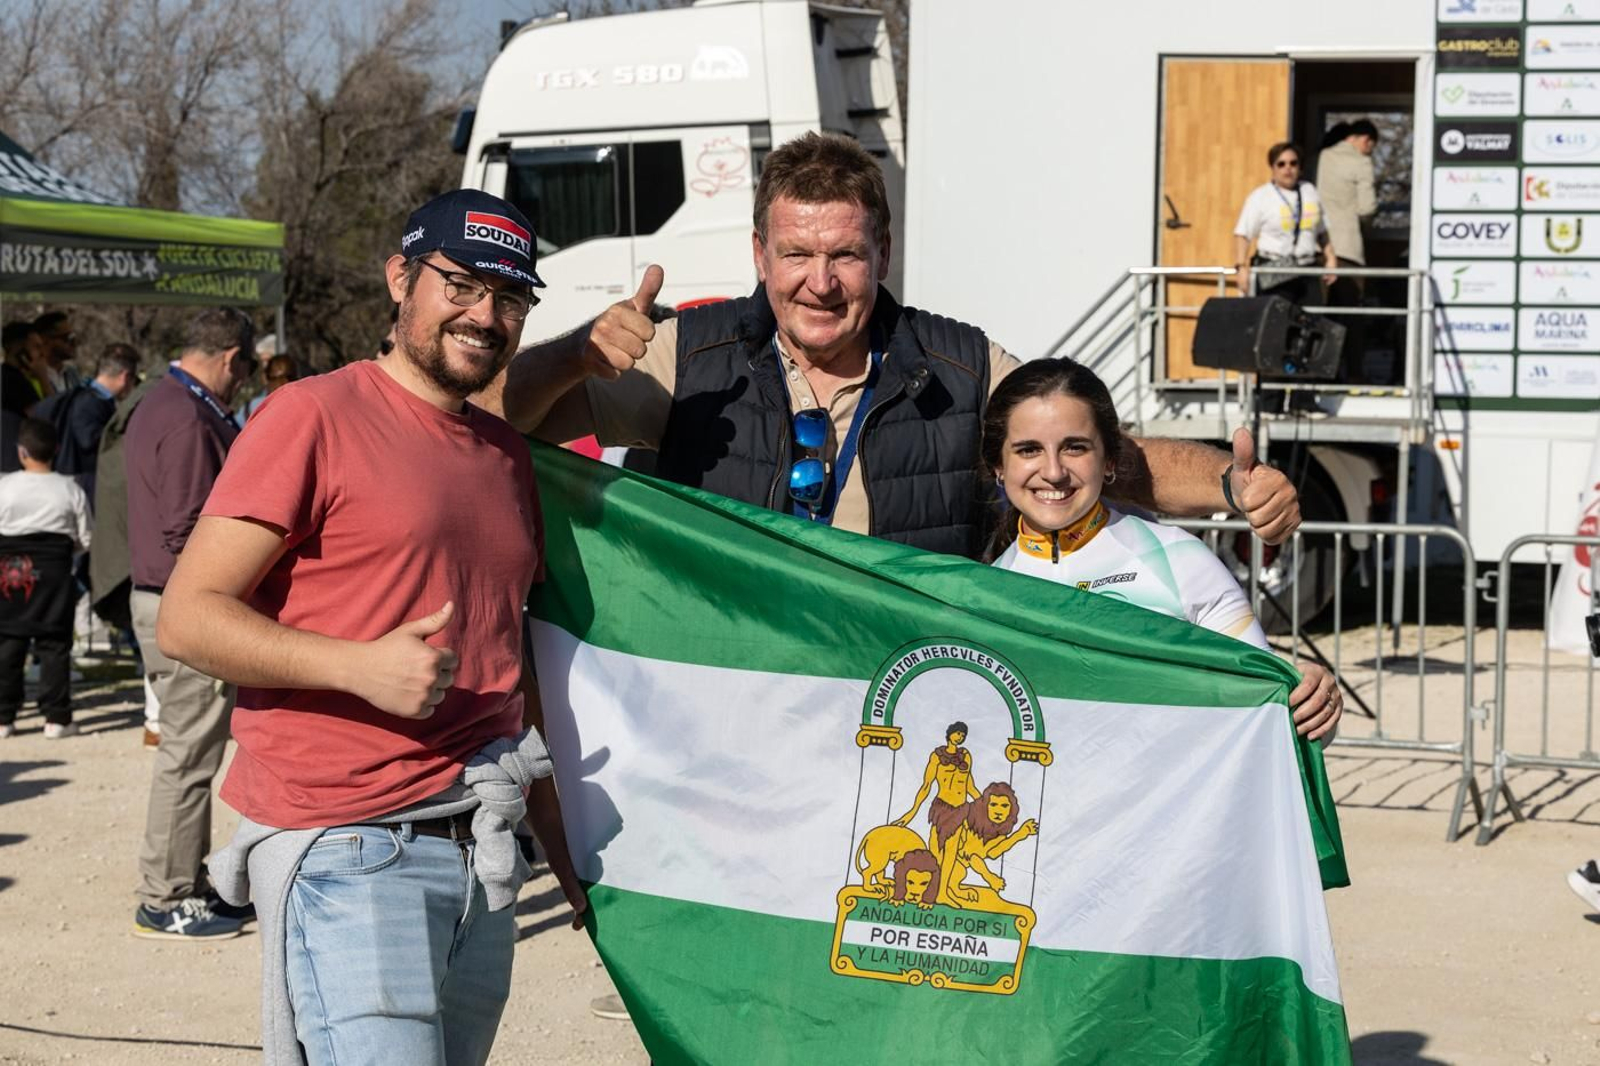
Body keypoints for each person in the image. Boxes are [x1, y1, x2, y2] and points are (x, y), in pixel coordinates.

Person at [158, 189, 585, 1066]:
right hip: (351, 848)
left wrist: (565, 850)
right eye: (461, 284)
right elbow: (187, 615)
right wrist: (354, 666)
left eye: (510, 298)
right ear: (401, 277)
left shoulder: (505, 457)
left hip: (485, 848)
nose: (486, 316)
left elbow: (515, 671)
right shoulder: (310, 414)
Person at [501, 131, 1303, 556]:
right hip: (731, 717)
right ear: (759, 257)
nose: (821, 282)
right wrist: (573, 352)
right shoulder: (691, 354)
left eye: (845, 255)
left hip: (900, 718)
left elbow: (1096, 457)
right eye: (796, 255)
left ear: (882, 255)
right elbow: (502, 417)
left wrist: (1231, 489)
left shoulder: (958, 367)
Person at [980, 358, 1341, 742]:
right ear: (998, 466)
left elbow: (1267, 716)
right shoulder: (983, 594)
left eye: (1075, 447)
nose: (1053, 471)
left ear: (1110, 460)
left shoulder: (1179, 560)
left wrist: (1314, 704)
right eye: (1028, 450)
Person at [124, 307, 258, 940]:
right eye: (247, 368)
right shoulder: (185, 415)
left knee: (189, 747)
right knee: (188, 753)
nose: (245, 382)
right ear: (231, 357)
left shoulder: (162, 402)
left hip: (160, 594)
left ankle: (181, 881)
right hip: (180, 601)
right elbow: (187, 527)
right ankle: (167, 895)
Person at [0, 418, 92, 739]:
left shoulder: (4, 486)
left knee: (8, 641)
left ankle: (4, 717)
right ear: (56, 449)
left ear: (21, 451)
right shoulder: (70, 488)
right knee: (55, 645)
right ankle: (56, 718)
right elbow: (85, 537)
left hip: (10, 570)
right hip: (55, 572)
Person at [1232, 141, 1338, 304]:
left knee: (1311, 322)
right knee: (1277, 322)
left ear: (1299, 167)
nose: (1287, 168)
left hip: (1306, 267)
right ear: (1273, 168)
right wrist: (1241, 267)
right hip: (1275, 266)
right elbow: (1243, 234)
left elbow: (1322, 231)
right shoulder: (1261, 196)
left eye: (1293, 163)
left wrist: (1330, 258)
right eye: (1281, 164)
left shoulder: (1310, 191)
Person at [1316, 119, 1380, 381]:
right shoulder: (1361, 162)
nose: (1369, 152)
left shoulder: (1320, 158)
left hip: (1319, 248)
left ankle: (1321, 375)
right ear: (1365, 140)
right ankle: (1354, 376)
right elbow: (1367, 207)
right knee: (1352, 318)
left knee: (1322, 316)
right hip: (1348, 250)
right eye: (1371, 148)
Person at [34, 343, 140, 496]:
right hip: (82, 484)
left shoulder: (87, 396)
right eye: (133, 380)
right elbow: (87, 439)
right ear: (125, 377)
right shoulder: (91, 401)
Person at [29, 311, 80, 394]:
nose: (73, 343)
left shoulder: (72, 373)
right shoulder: (32, 375)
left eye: (73, 337)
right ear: (44, 340)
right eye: (66, 337)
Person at [244, 350, 298, 420]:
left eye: (288, 377)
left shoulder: (253, 407)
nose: (282, 383)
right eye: (277, 379)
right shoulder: (251, 410)